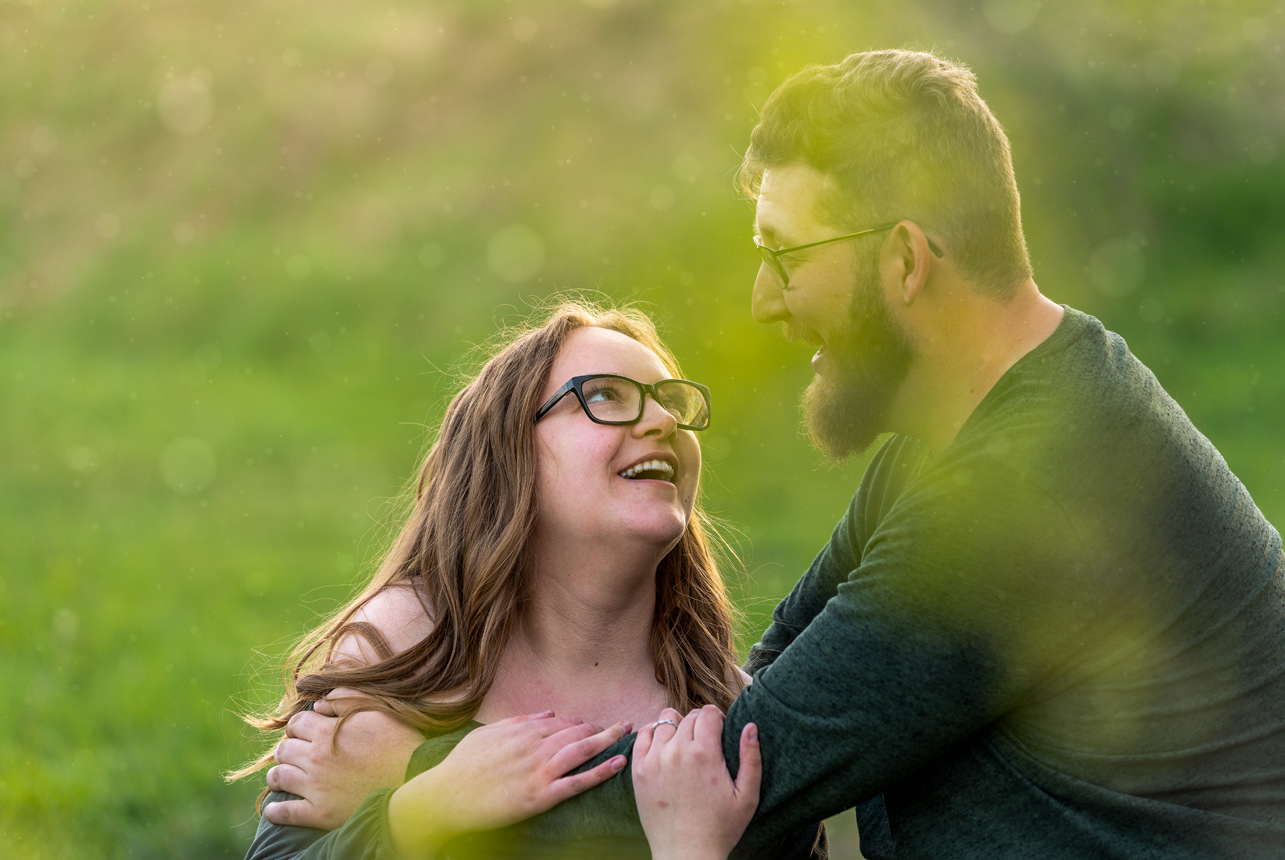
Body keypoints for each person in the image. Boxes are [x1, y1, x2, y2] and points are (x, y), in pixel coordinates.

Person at [268, 50, 1285, 858]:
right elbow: (763, 692)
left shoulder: (1031, 486)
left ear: (901, 261)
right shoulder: (958, 449)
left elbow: (749, 773)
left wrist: (413, 797)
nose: (765, 301)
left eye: (786, 256)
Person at [231, 301, 824, 860]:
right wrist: (409, 818)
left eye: (671, 401)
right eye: (606, 397)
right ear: (507, 452)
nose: (665, 420)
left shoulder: (727, 711)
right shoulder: (401, 654)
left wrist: (418, 794)